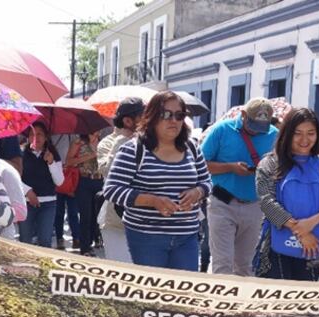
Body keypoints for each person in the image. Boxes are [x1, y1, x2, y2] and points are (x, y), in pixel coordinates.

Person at [102, 91, 211, 271]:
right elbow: (112, 189)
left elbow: (207, 182)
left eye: (179, 115)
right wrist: (153, 201)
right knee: (154, 294)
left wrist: (197, 192)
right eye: (166, 114)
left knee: (183, 295)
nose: (173, 120)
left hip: (187, 236)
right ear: (152, 117)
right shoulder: (133, 149)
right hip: (146, 237)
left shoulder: (192, 147)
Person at [254, 107, 319, 281]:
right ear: (287, 133)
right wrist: (301, 231)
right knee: (273, 303)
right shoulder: (270, 163)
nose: (305, 139)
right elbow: (266, 202)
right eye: (298, 133)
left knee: (302, 303)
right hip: (274, 246)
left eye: (311, 133)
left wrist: (312, 223)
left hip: (315, 246)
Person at [200, 97, 278, 276]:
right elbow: (201, 163)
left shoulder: (273, 134)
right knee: (223, 264)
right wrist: (230, 168)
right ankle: (219, 303)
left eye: (262, 127)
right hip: (223, 203)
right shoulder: (221, 130)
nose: (257, 132)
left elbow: (280, 167)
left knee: (245, 266)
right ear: (243, 115)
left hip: (254, 205)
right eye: (253, 126)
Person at [96, 97, 145, 263]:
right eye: (143, 116)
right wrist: (124, 141)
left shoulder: (150, 142)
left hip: (145, 220)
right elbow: (108, 173)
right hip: (116, 221)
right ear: (128, 121)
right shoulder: (108, 143)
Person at [19, 121, 65, 247]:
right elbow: (15, 177)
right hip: (26, 203)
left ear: (46, 137)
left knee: (45, 241)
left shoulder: (53, 154)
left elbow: (59, 181)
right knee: (25, 240)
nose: (36, 137)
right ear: (27, 137)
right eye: (32, 134)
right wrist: (27, 191)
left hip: (48, 203)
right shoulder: (21, 154)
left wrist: (51, 163)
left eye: (39, 134)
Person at [67, 131, 104, 256]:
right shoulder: (78, 142)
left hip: (99, 180)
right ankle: (85, 247)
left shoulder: (103, 142)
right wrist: (91, 155)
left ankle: (96, 238)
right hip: (83, 181)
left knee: (97, 214)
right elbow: (69, 161)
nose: (96, 132)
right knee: (85, 215)